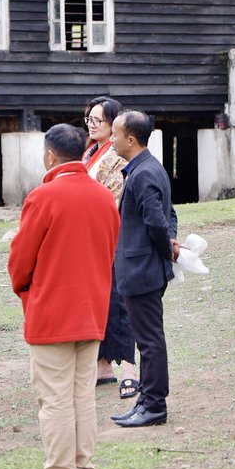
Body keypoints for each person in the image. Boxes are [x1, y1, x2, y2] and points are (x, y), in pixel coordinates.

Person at [8, 125, 120, 469]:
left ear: (50, 156)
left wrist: (25, 290)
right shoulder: (104, 197)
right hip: (91, 309)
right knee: (82, 395)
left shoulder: (43, 197)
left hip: (53, 311)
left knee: (53, 397)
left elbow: (21, 260)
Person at [109, 111, 180, 429]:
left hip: (142, 271)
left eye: (115, 134)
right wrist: (171, 241)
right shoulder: (147, 168)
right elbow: (170, 214)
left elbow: (157, 221)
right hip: (143, 267)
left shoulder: (144, 173)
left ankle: (154, 405)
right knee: (147, 339)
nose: (111, 139)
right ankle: (146, 400)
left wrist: (168, 249)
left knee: (150, 341)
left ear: (131, 139)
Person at [82, 97, 140, 399]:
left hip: (114, 238)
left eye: (98, 121)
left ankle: (130, 369)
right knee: (99, 303)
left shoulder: (117, 158)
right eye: (89, 119)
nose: (92, 125)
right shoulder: (90, 153)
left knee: (120, 304)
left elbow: (111, 198)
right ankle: (103, 366)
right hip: (92, 241)